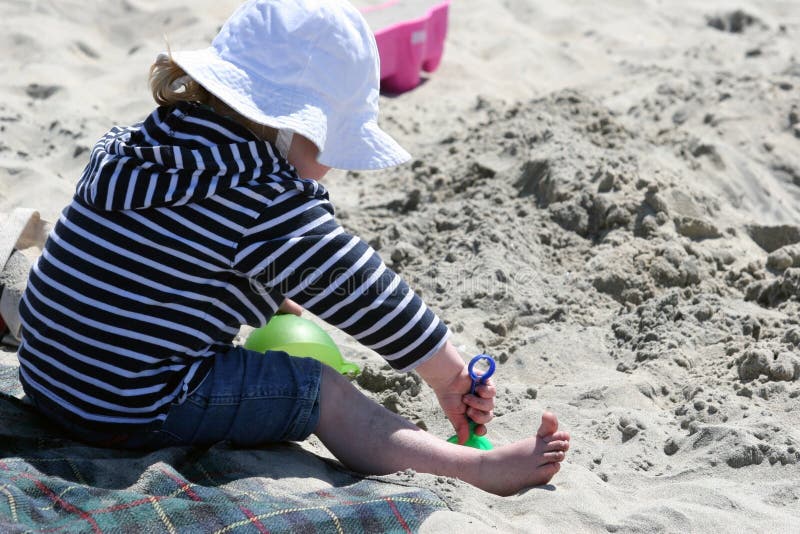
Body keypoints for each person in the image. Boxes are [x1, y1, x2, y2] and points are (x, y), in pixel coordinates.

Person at [16, 0, 569, 496]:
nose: (329, 166)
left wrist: (277, 296)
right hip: (126, 405)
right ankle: (472, 468)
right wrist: (449, 375)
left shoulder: (142, 145)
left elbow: (171, 248)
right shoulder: (263, 200)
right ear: (294, 128)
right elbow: (366, 293)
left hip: (44, 372)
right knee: (321, 390)